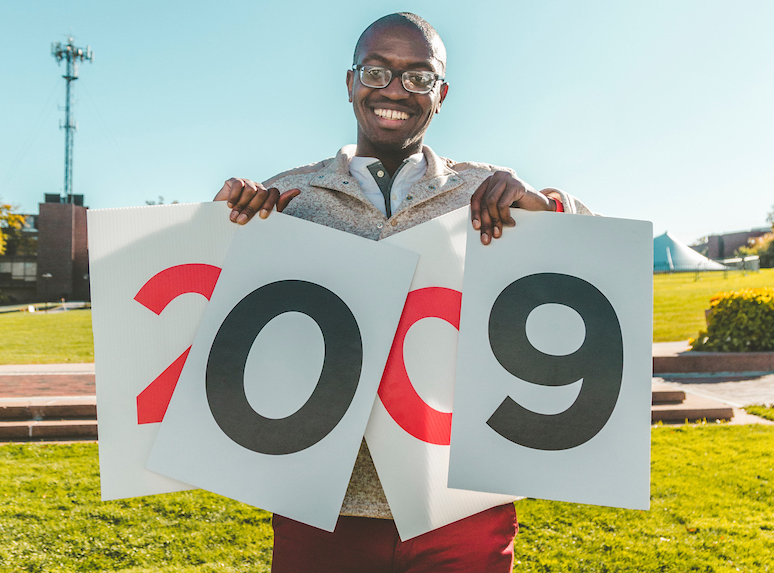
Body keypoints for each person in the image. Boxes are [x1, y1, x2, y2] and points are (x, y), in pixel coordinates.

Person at [215, 12, 592, 573]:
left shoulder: (487, 188)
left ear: (440, 94)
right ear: (350, 83)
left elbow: (597, 260)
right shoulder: (288, 195)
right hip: (323, 505)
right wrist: (226, 232)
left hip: (462, 502)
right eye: (376, 71)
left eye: (418, 77)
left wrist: (551, 209)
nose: (394, 90)